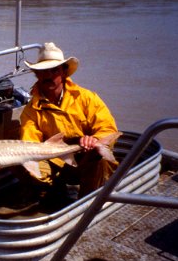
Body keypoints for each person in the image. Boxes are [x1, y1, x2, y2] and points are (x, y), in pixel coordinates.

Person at [20, 42, 119, 201]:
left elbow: (108, 129)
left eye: (54, 70)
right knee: (25, 165)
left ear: (64, 72)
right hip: (56, 163)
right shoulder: (30, 111)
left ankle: (88, 204)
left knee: (100, 155)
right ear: (36, 74)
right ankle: (55, 192)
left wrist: (94, 139)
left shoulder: (87, 98)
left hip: (87, 160)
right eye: (43, 71)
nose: (49, 75)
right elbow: (29, 143)